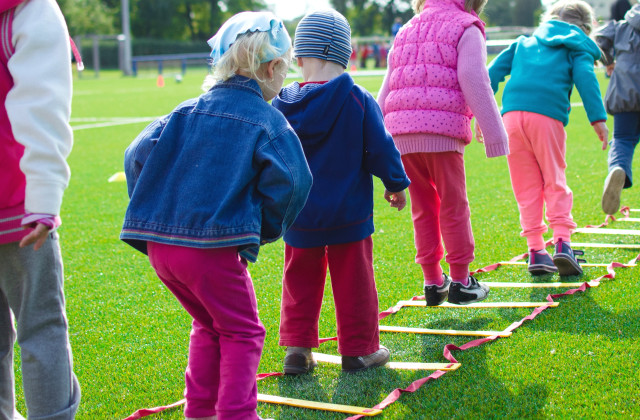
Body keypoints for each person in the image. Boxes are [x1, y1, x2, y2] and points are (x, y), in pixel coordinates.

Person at [120, 12, 312, 420]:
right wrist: (259, 231)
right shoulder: (267, 120)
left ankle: (200, 411)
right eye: (286, 68)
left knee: (209, 325)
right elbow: (295, 182)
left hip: (162, 250)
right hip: (210, 251)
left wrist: (154, 211)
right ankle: (237, 414)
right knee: (244, 331)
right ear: (272, 67)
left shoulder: (184, 110)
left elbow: (135, 154)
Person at [272, 9, 410, 375]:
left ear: (299, 57)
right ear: (347, 54)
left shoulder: (280, 104)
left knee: (298, 280)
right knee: (355, 281)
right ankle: (359, 349)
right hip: (349, 213)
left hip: (298, 214)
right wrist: (395, 183)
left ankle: (297, 350)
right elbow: (381, 147)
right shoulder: (358, 98)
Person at [378, 0, 509, 306]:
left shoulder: (406, 29)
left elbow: (387, 87)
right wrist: (495, 134)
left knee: (423, 208)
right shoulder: (466, 26)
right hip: (442, 131)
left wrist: (378, 142)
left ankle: (433, 281)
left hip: (401, 134)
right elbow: (475, 79)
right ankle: (461, 281)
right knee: (454, 205)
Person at [0, 0, 81, 419]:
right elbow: (42, 105)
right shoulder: (30, 10)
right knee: (42, 327)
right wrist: (44, 200)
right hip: (16, 204)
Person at [488, 0, 609, 276]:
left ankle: (536, 251)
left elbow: (490, 75)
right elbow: (585, 77)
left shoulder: (523, 42)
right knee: (554, 179)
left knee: (525, 186)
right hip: (546, 117)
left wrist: (481, 114)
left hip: (511, 119)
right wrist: (598, 119)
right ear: (585, 27)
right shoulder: (576, 46)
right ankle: (563, 244)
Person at [596, 4, 640, 216]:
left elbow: (599, 39)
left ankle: (618, 167)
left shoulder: (621, 26)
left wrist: (609, 61)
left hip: (625, 91)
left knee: (622, 138)